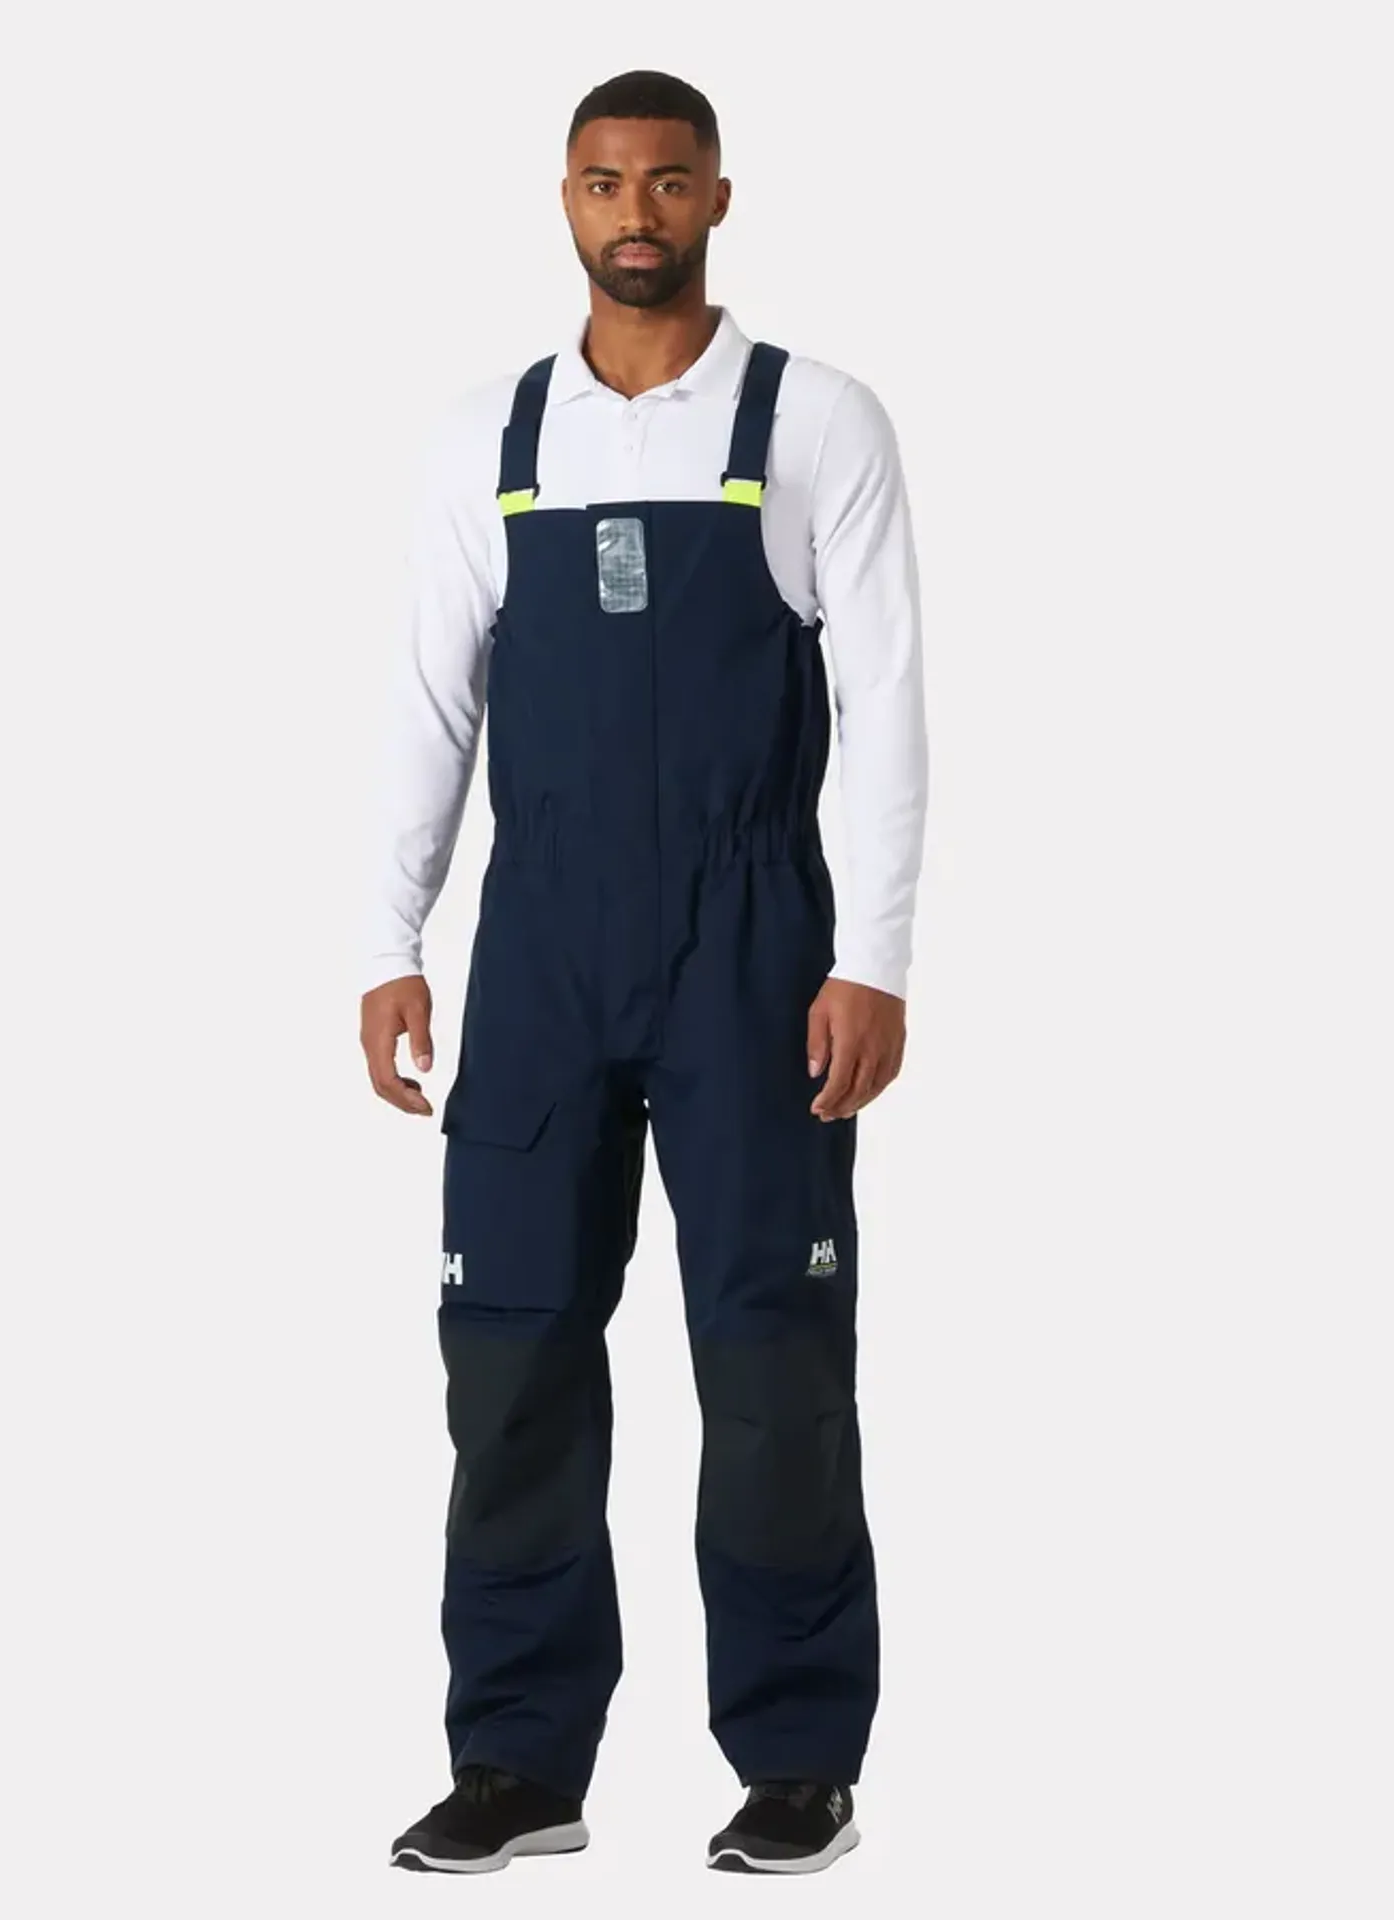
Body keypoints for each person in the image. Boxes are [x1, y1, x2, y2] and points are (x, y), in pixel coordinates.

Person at [359, 68, 927, 1875]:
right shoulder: (492, 436)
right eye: (606, 183)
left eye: (668, 183)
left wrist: (873, 958)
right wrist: (389, 941)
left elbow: (886, 703)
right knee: (512, 1352)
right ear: (567, 199)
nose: (637, 213)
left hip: (753, 947)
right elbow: (431, 701)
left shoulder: (815, 420)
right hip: (538, 947)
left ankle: (798, 1760)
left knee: (770, 1358)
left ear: (717, 199)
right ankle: (518, 1763)